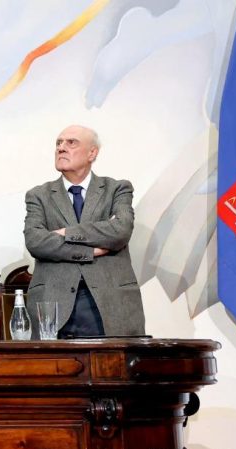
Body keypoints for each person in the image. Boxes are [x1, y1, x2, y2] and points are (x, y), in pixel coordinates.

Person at [23, 125, 145, 338]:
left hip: (110, 303)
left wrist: (66, 232)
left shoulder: (117, 189)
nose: (61, 148)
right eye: (59, 143)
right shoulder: (39, 195)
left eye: (71, 142)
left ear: (92, 153)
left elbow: (120, 231)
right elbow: (36, 241)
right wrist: (90, 251)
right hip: (55, 303)